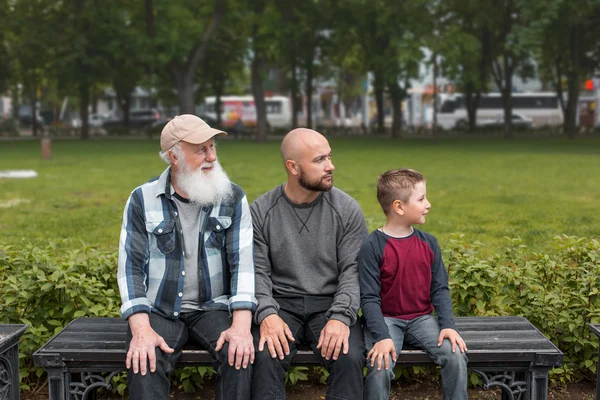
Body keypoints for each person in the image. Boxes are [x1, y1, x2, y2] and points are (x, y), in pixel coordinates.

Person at [117, 114, 256, 400]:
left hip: (214, 308)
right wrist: (141, 330)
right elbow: (130, 269)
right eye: (201, 150)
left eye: (213, 147)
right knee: (145, 359)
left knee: (239, 354)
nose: (211, 157)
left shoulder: (232, 198)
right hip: (160, 309)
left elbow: (243, 265)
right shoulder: (142, 199)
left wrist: (241, 328)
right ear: (174, 157)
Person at [250, 128, 369, 400]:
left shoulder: (346, 209)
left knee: (348, 356)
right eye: (319, 160)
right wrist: (267, 314)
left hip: (329, 303)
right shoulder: (261, 211)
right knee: (265, 356)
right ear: (292, 167)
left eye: (329, 157)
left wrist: (341, 317)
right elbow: (257, 271)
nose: (331, 166)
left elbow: (353, 270)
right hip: (282, 304)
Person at [359, 168, 468, 400]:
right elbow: (368, 298)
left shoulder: (429, 243)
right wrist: (381, 336)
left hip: (422, 319)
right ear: (399, 207)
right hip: (386, 321)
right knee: (380, 364)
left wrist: (448, 325)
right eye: (421, 199)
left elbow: (440, 288)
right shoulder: (372, 246)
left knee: (455, 354)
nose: (428, 204)